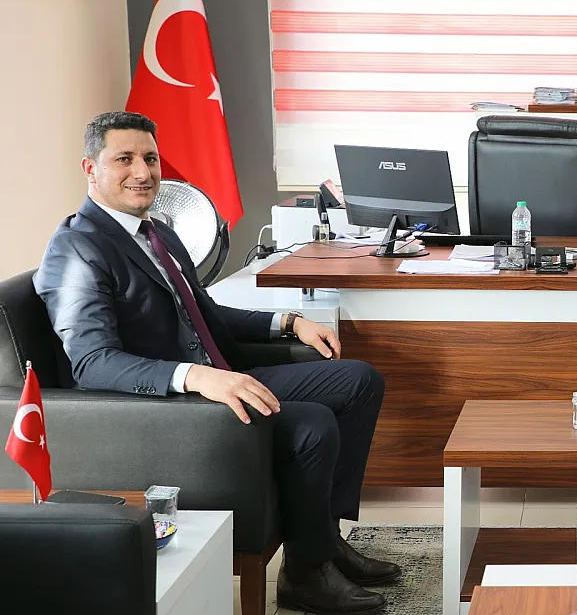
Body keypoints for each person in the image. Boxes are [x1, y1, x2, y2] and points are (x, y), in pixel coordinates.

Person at [36, 112, 399, 615]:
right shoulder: (76, 249)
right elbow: (93, 363)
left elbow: (201, 311)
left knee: (359, 380)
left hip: (223, 376)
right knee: (312, 423)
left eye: (150, 158)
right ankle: (305, 576)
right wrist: (196, 377)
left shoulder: (156, 233)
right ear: (90, 169)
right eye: (124, 159)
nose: (142, 172)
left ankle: (323, 539)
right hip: (175, 407)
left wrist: (287, 322)